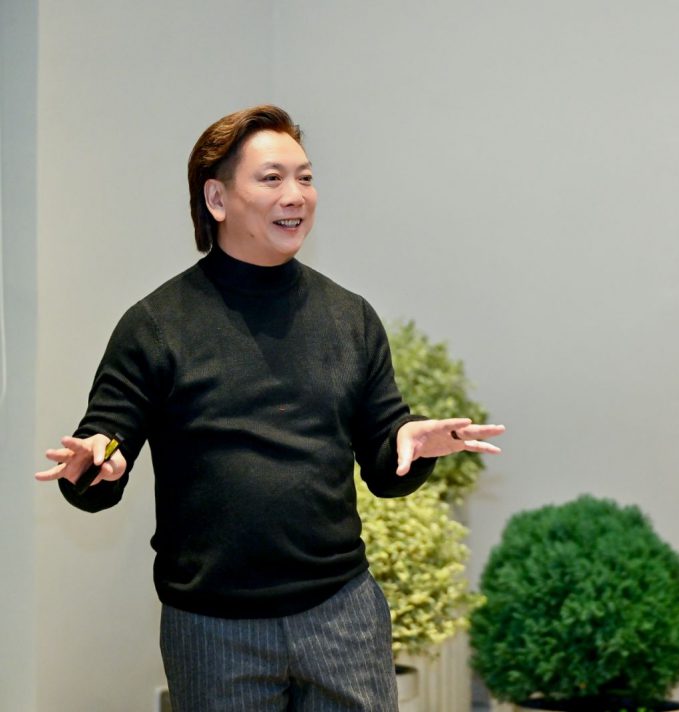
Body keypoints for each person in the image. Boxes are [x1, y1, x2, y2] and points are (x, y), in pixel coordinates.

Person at [34, 105, 505, 712]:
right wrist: (96, 461)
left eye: (305, 178)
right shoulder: (156, 324)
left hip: (343, 614)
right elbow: (104, 440)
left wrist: (409, 442)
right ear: (217, 198)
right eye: (272, 178)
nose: (296, 195)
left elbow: (384, 460)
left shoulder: (350, 317)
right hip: (212, 629)